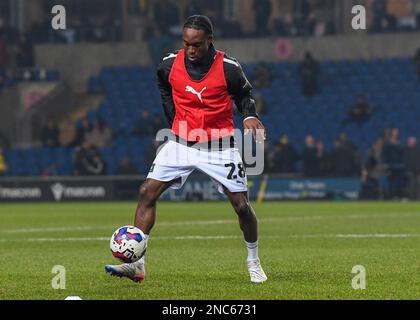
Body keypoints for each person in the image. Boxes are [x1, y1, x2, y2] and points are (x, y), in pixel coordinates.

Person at [105, 15, 268, 284]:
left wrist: (249, 116)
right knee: (147, 191)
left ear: (209, 41)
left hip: (219, 146)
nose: (191, 50)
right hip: (181, 143)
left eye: (197, 44)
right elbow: (164, 87)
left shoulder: (228, 67)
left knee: (241, 206)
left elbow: (244, 94)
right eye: (186, 44)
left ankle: (253, 261)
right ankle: (136, 265)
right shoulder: (169, 64)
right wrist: (173, 118)